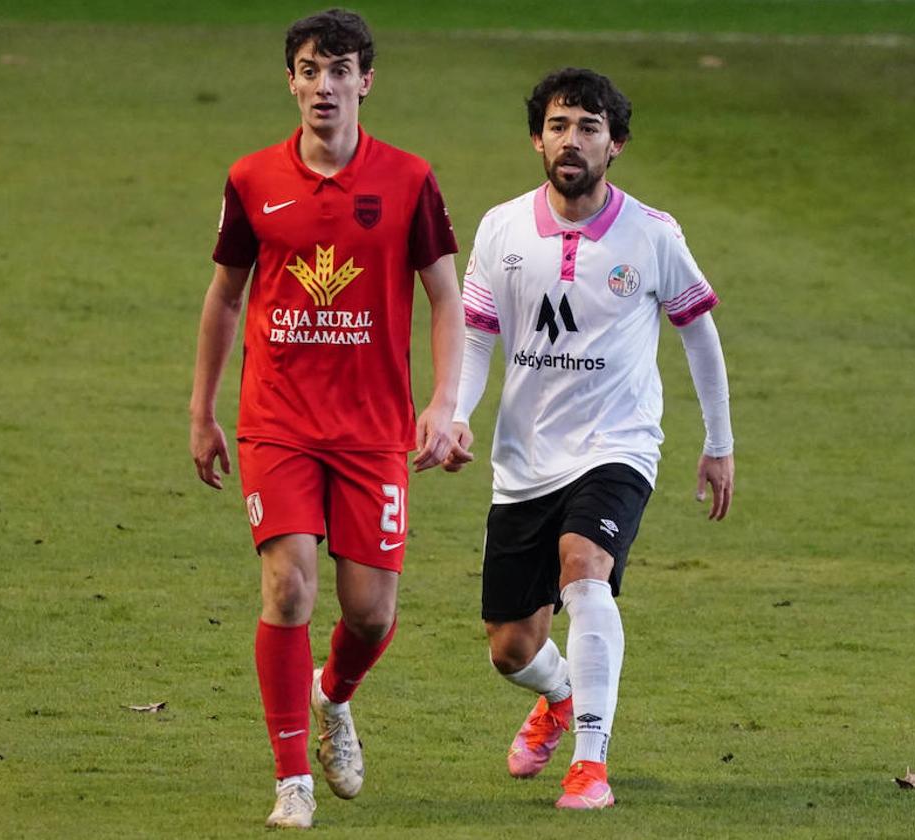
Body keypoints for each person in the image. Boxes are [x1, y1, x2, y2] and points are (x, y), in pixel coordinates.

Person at [189, 8, 467, 829]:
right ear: (291, 81)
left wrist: (444, 405)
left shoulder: (410, 180)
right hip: (277, 421)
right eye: (310, 69)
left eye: (340, 69)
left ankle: (332, 699)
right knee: (288, 585)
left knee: (371, 612)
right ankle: (291, 782)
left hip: (374, 428)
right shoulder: (251, 179)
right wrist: (202, 411)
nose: (324, 85)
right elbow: (224, 297)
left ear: (366, 82)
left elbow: (446, 298)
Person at [443, 67, 735, 810]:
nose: (572, 141)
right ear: (537, 139)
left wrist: (718, 441)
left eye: (590, 128)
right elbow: (477, 337)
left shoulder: (653, 234)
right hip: (524, 460)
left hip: (617, 444)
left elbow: (698, 333)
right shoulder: (501, 228)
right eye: (559, 126)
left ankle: (590, 763)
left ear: (617, 145)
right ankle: (558, 695)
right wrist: (455, 412)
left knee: (585, 570)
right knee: (510, 647)